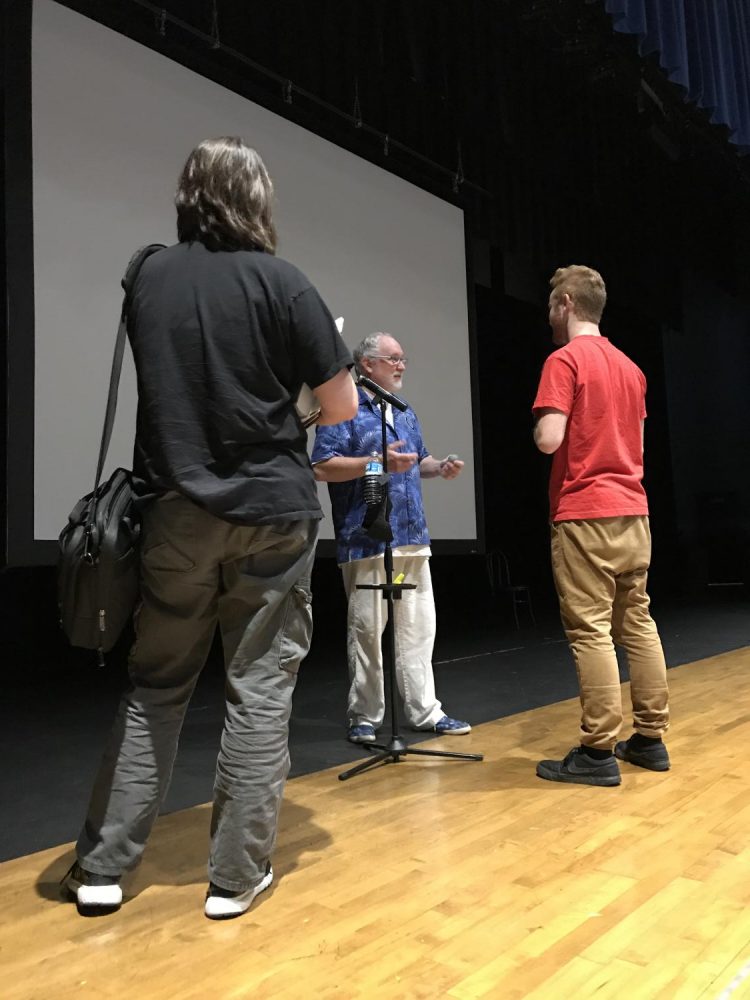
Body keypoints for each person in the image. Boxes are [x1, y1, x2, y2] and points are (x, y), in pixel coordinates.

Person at [62, 137, 357, 919]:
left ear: (188, 194)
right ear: (258, 200)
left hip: (175, 518)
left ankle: (101, 869)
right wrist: (286, 401)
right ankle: (234, 878)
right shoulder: (285, 284)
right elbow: (342, 411)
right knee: (259, 689)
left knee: (155, 686)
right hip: (272, 514)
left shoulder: (149, 276)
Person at [532, 265, 670, 787]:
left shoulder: (564, 360)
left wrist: (545, 426)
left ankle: (596, 752)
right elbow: (634, 439)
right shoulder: (632, 368)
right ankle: (651, 739)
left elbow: (549, 439)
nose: (549, 314)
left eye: (550, 305)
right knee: (637, 621)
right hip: (634, 510)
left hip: (585, 511)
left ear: (566, 304)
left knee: (590, 630)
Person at [311, 333, 471, 744]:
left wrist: (441, 467)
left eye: (403, 359)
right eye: (393, 358)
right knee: (366, 630)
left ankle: (425, 712)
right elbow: (322, 466)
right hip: (367, 539)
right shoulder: (342, 411)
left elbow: (418, 461)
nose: (402, 365)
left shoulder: (405, 412)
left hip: (412, 540)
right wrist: (375, 462)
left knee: (418, 629)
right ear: (367, 364)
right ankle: (365, 716)